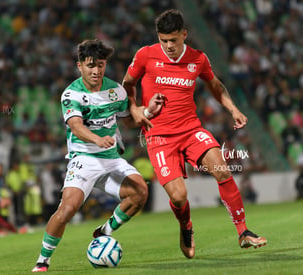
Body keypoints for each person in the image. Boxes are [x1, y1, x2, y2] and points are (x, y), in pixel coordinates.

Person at [122, 9, 267, 259]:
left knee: (221, 169)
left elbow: (216, 86)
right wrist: (134, 109)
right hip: (158, 136)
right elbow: (127, 84)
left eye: (173, 40)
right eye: (164, 40)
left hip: (191, 130)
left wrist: (233, 109)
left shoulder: (198, 59)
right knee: (179, 197)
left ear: (184, 35)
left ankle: (243, 232)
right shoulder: (145, 55)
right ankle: (186, 226)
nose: (169, 46)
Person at [32, 39, 159, 272]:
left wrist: (146, 112)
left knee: (140, 191)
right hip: (84, 158)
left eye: (100, 65)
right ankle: (43, 259)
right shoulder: (71, 94)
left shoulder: (116, 91)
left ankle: (105, 231)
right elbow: (76, 125)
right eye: (91, 65)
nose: (96, 70)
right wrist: (97, 139)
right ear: (80, 66)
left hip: (111, 158)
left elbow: (129, 120)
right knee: (67, 209)